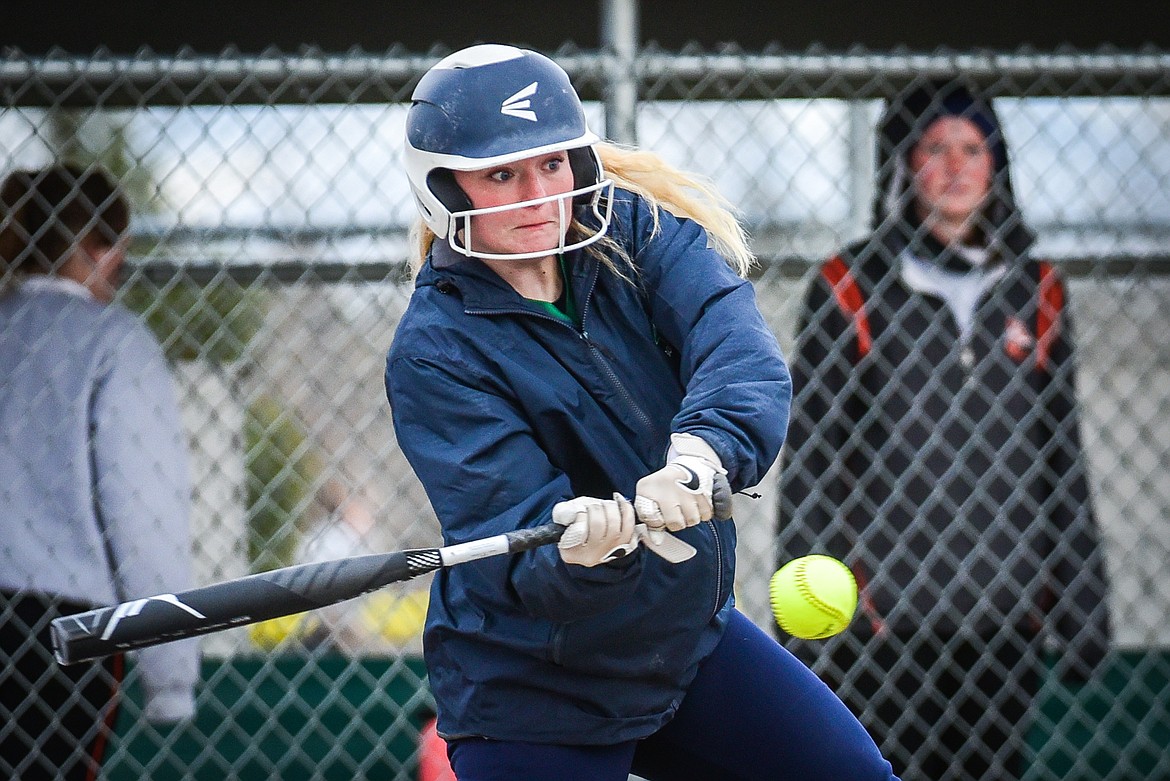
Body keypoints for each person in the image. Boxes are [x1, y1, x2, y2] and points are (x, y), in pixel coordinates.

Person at [385, 44, 899, 781]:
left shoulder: (632, 231)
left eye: (552, 164)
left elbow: (737, 346)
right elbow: (516, 541)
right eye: (501, 174)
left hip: (680, 645)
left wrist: (700, 454)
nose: (537, 194)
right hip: (536, 691)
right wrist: (586, 549)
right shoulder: (434, 350)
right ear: (443, 187)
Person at [777, 78, 1112, 781]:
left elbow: (1062, 455)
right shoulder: (849, 283)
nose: (956, 167)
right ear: (903, 164)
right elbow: (812, 456)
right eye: (934, 147)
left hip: (1007, 614)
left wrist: (1083, 606)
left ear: (998, 164)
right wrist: (806, 625)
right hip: (885, 620)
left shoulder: (1038, 287)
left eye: (972, 147)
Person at [0, 163, 198, 780]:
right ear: (105, 251)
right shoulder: (112, 343)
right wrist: (171, 676)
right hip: (58, 636)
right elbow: (144, 514)